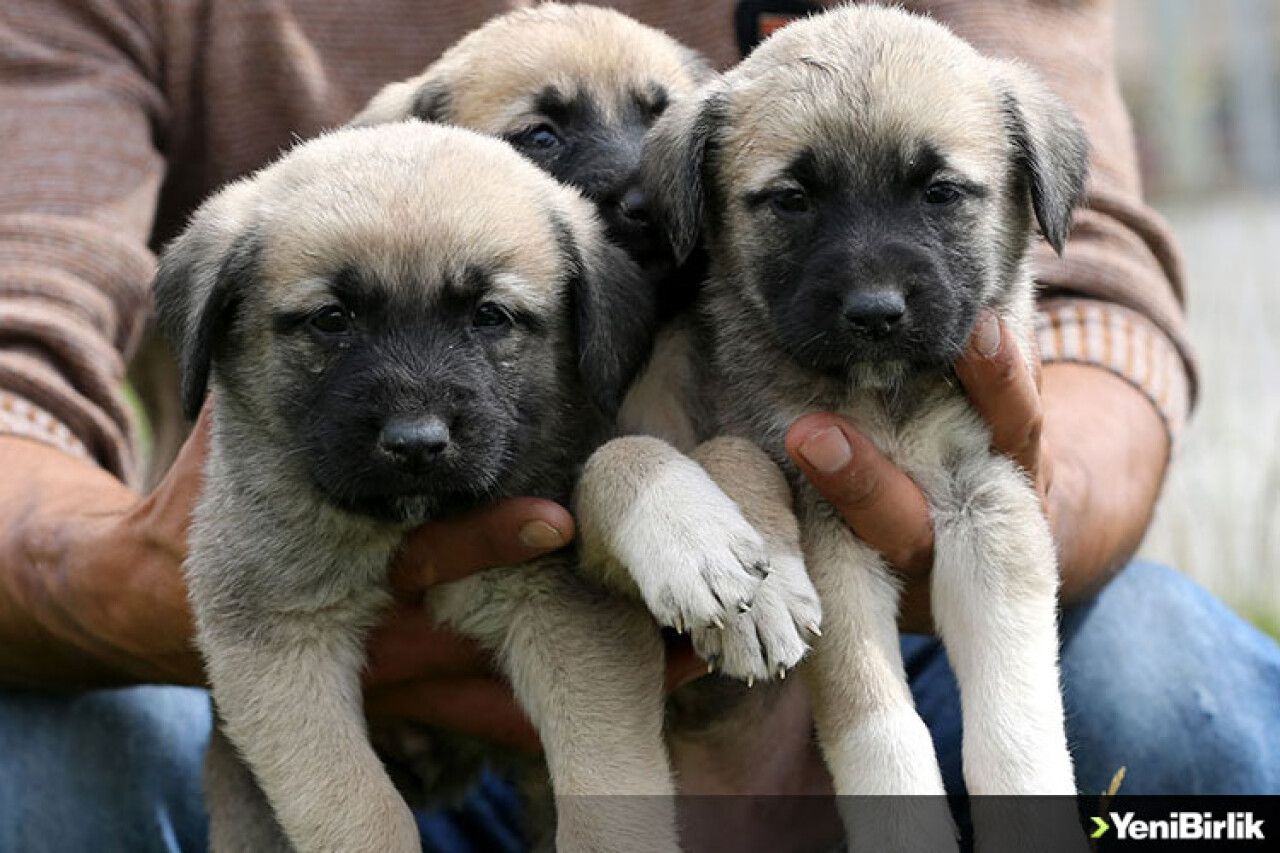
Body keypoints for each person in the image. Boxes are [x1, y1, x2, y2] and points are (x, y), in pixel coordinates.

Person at [0, 1, 1275, 851]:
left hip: (864, 656)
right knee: (44, 759)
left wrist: (981, 514)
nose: (620, 179)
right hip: (374, 724)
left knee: (1173, 684)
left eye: (660, 131)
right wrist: (118, 584)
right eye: (543, 140)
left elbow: (1094, 278)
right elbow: (20, 339)